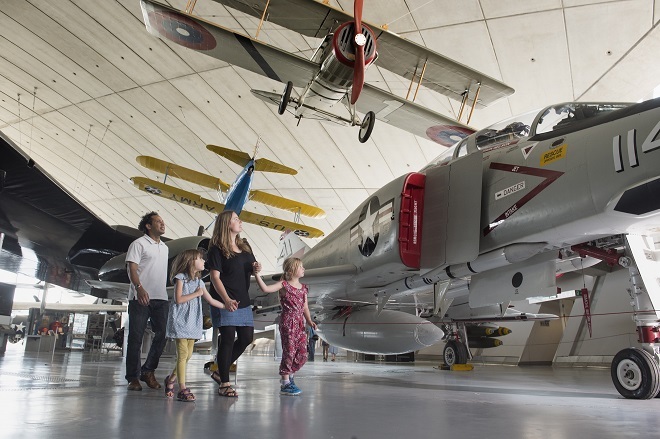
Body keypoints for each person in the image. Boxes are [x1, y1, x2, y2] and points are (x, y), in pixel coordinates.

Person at [205, 210, 258, 397]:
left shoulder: (245, 248)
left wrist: (256, 268)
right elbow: (215, 277)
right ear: (227, 224)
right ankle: (224, 383)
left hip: (242, 300)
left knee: (246, 338)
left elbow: (251, 268)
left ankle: (219, 371)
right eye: (236, 219)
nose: (240, 221)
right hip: (224, 300)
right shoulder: (216, 249)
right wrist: (226, 299)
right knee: (227, 338)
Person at [164, 249, 226, 402]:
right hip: (180, 320)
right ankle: (182, 388)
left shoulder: (199, 282)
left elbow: (211, 300)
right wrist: (196, 294)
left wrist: (227, 305)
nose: (204, 261)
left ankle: (171, 379)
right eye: (200, 258)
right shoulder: (180, 279)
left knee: (188, 355)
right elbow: (178, 299)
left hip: (193, 321)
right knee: (183, 354)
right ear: (191, 261)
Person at [255, 257, 317, 396]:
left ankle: (290, 375)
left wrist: (309, 320)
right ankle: (285, 382)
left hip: (300, 323)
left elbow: (305, 307)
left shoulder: (303, 288)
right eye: (301, 267)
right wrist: (256, 274)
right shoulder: (283, 285)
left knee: (302, 354)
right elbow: (265, 288)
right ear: (292, 270)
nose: (303, 269)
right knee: (289, 351)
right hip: (288, 322)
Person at [125, 212, 169, 391]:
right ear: (148, 226)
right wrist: (139, 288)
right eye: (158, 221)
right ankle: (132, 378)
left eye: (162, 221)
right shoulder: (138, 244)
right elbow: (132, 268)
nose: (162, 224)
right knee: (136, 338)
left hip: (161, 297)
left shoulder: (165, 247)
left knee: (163, 334)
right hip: (140, 298)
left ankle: (148, 370)